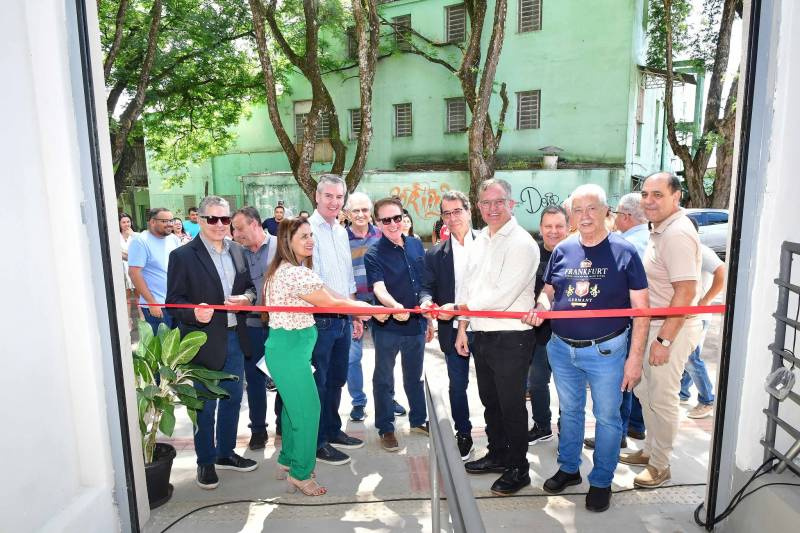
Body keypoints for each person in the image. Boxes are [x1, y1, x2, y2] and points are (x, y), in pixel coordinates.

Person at [524, 184, 649, 512]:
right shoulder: (563, 249)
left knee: (607, 417)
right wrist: (540, 305)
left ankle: (601, 480)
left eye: (592, 208)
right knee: (571, 411)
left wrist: (635, 358)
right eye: (577, 210)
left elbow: (642, 309)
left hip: (606, 352)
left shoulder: (625, 251)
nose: (585, 216)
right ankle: (569, 468)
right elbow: (548, 291)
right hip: (562, 349)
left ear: (606, 212)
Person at [262, 217, 387, 496]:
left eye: (310, 235)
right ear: (287, 242)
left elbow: (335, 295)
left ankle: (287, 460)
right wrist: (374, 310)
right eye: (303, 236)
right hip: (289, 351)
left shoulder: (293, 270)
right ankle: (301, 474)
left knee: (293, 409)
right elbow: (332, 303)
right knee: (308, 412)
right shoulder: (294, 273)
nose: (310, 240)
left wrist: (369, 306)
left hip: (290, 350)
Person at [165, 196, 259, 490]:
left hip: (235, 337)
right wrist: (194, 312)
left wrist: (247, 299)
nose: (220, 225)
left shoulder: (239, 251)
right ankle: (205, 461)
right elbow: (173, 302)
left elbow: (251, 288)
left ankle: (225, 453)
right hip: (203, 341)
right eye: (212, 219)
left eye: (225, 219)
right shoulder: (182, 256)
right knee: (204, 405)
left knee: (232, 399)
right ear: (199, 220)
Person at [453, 178, 539, 496]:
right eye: (485, 203)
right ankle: (498, 454)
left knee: (512, 405)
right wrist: (463, 324)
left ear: (511, 204)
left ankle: (519, 468)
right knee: (490, 402)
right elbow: (469, 285)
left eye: (498, 202)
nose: (491, 208)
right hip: (482, 334)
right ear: (478, 207)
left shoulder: (522, 243)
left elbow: (503, 296)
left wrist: (458, 308)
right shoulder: (481, 240)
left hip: (511, 337)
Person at [620, 172, 703, 489]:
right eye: (645, 194)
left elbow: (684, 293)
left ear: (676, 197)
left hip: (671, 330)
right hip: (652, 326)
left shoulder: (677, 233)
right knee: (647, 394)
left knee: (664, 399)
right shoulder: (660, 230)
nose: (649, 201)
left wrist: (664, 340)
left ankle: (660, 465)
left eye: (658, 194)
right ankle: (651, 451)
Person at [365, 197, 431, 452]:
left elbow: (424, 284)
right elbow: (379, 289)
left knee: (414, 377)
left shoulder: (415, 245)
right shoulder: (373, 253)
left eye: (397, 217)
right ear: (377, 223)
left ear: (404, 217)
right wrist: (394, 308)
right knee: (383, 378)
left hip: (416, 326)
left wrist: (426, 315)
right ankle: (386, 427)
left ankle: (417, 420)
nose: (393, 223)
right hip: (388, 329)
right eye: (386, 220)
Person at [584, 192, 650, 450]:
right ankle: (635, 425)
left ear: (625, 216)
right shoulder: (650, 237)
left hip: (629, 319)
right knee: (634, 380)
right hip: (641, 317)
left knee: (623, 380)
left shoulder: (623, 245)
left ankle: (618, 433)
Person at [308, 175, 365, 466]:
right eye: (328, 196)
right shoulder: (307, 231)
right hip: (320, 319)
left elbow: (347, 275)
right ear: (317, 197)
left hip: (343, 317)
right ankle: (317, 442)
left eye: (339, 197)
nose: (334, 202)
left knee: (336, 380)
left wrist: (352, 311)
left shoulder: (341, 231)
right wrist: (345, 304)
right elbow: (314, 282)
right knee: (319, 381)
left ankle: (332, 430)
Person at [419, 190, 477, 460]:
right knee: (457, 384)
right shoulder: (435, 254)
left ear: (468, 211)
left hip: (488, 326)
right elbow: (426, 288)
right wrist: (428, 303)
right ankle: (463, 433)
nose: (453, 218)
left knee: (493, 386)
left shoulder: (487, 244)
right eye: (447, 213)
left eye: (457, 211)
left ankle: (500, 436)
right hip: (451, 327)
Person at [232, 207, 277, 450]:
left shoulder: (282, 246)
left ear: (256, 224)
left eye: (240, 228)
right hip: (250, 326)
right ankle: (258, 429)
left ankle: (284, 424)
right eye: (234, 230)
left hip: (280, 325)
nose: (236, 234)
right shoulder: (236, 253)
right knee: (255, 379)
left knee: (282, 376)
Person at [526, 205, 570, 446]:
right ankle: (542, 426)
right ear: (541, 228)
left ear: (568, 227)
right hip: (539, 334)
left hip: (568, 336)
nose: (553, 231)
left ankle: (568, 429)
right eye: (548, 226)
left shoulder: (578, 253)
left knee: (567, 387)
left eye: (559, 226)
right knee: (537, 383)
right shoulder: (530, 254)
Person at [345, 193, 387, 422]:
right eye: (355, 211)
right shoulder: (341, 239)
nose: (360, 215)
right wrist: (352, 312)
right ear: (347, 214)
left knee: (386, 355)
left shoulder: (382, 236)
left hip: (382, 304)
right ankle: (358, 402)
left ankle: (387, 398)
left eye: (364, 210)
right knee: (352, 357)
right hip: (353, 304)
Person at [679, 219, 726, 419]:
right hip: (688, 314)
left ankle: (707, 399)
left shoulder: (701, 250)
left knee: (691, 358)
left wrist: (705, 301)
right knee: (686, 355)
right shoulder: (685, 250)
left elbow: (721, 272)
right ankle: (682, 392)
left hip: (698, 315)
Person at [128, 208, 180, 334]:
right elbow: (134, 273)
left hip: (176, 304)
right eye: (164, 221)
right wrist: (152, 302)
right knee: (162, 350)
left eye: (171, 220)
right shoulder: (140, 241)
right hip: (156, 307)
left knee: (177, 349)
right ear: (152, 222)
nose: (169, 224)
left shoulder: (173, 239)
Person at [119, 212, 143, 325]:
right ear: (119, 224)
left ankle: (142, 320)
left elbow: (141, 250)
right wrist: (128, 254)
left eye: (128, 221)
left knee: (139, 294)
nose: (126, 224)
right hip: (122, 270)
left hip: (135, 268)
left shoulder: (137, 235)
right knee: (126, 296)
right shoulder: (115, 236)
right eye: (123, 222)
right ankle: (128, 322)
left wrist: (133, 234)